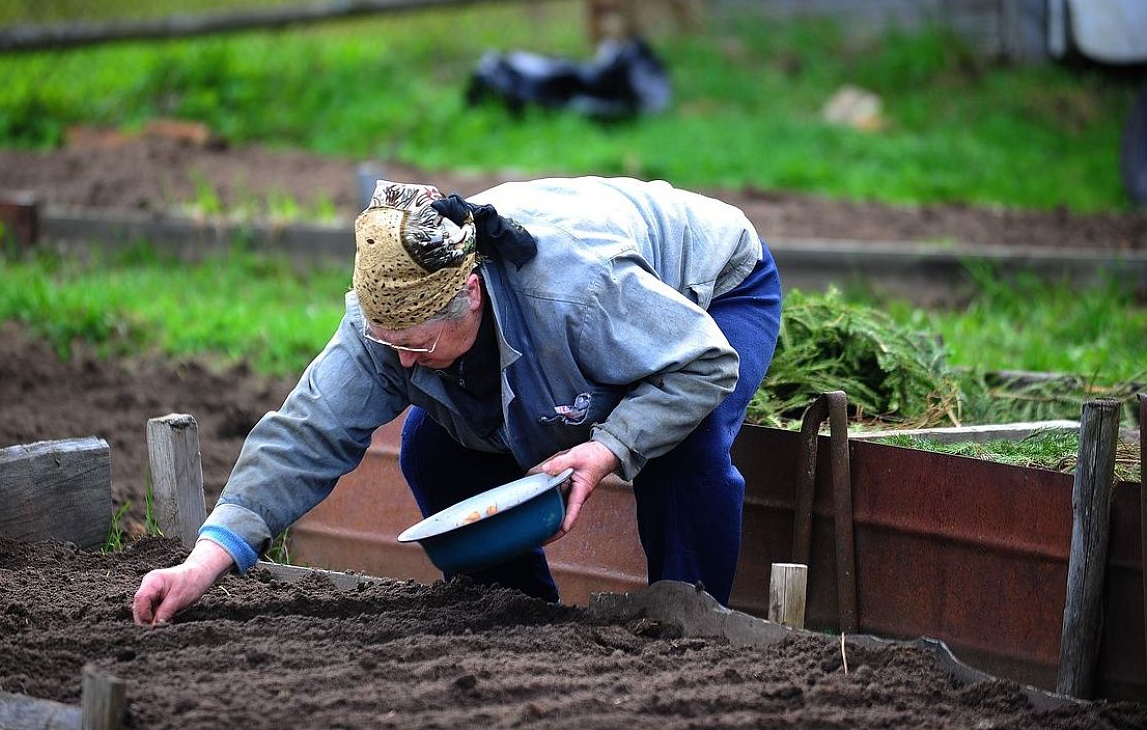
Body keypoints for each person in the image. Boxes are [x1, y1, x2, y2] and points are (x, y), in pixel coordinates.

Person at [132, 176, 782, 625]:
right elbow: (307, 431)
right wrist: (203, 561)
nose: (404, 362)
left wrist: (609, 446)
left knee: (681, 441)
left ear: (471, 292)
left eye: (418, 342)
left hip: (712, 284)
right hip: (588, 306)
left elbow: (701, 364)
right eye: (391, 346)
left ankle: (684, 626)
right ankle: (518, 610)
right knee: (429, 445)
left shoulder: (575, 293)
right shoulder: (386, 330)